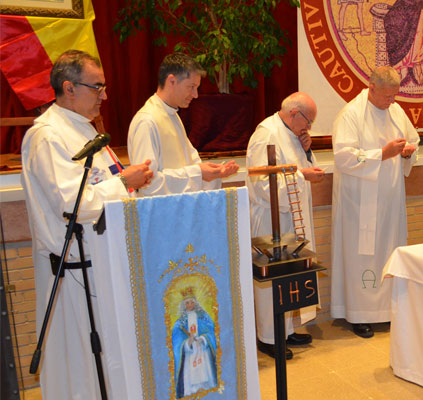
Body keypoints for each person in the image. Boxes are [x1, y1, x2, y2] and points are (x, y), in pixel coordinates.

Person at [20, 50, 153, 400]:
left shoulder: (86, 131)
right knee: (80, 361)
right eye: (98, 87)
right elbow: (72, 203)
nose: (105, 95)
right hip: (74, 270)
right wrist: (125, 181)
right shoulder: (47, 136)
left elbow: (104, 185)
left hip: (103, 262)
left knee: (109, 356)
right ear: (69, 88)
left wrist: (127, 183)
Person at [331, 66, 419, 338]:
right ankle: (360, 315)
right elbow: (343, 157)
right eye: (386, 96)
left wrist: (406, 153)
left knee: (389, 248)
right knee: (362, 256)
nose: (390, 102)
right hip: (361, 202)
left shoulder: (396, 111)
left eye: (394, 95)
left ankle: (388, 310)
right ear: (371, 87)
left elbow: (413, 139)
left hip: (390, 199)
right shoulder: (351, 114)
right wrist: (382, 153)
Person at [246, 92, 325, 359]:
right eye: (308, 121)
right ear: (294, 113)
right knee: (273, 279)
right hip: (270, 219)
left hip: (291, 219)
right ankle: (268, 337)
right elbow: (261, 186)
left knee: (289, 276)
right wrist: (302, 176)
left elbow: (297, 169)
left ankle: (286, 329)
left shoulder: (290, 133)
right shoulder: (266, 135)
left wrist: (306, 151)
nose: (308, 127)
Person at [128, 53, 238, 196]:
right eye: (191, 87)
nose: (195, 94)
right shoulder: (147, 121)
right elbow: (147, 184)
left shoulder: (173, 116)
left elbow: (192, 162)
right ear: (172, 81)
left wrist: (213, 173)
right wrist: (198, 173)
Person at [172, 290, 218, 398]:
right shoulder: (180, 322)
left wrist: (203, 338)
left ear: (195, 303)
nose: (190, 305)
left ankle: (208, 391)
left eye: (192, 302)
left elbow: (212, 331)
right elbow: (177, 341)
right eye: (187, 303)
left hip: (203, 350)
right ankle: (191, 393)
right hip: (190, 353)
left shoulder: (204, 317)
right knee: (191, 377)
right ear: (183, 305)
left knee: (206, 373)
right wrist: (188, 343)